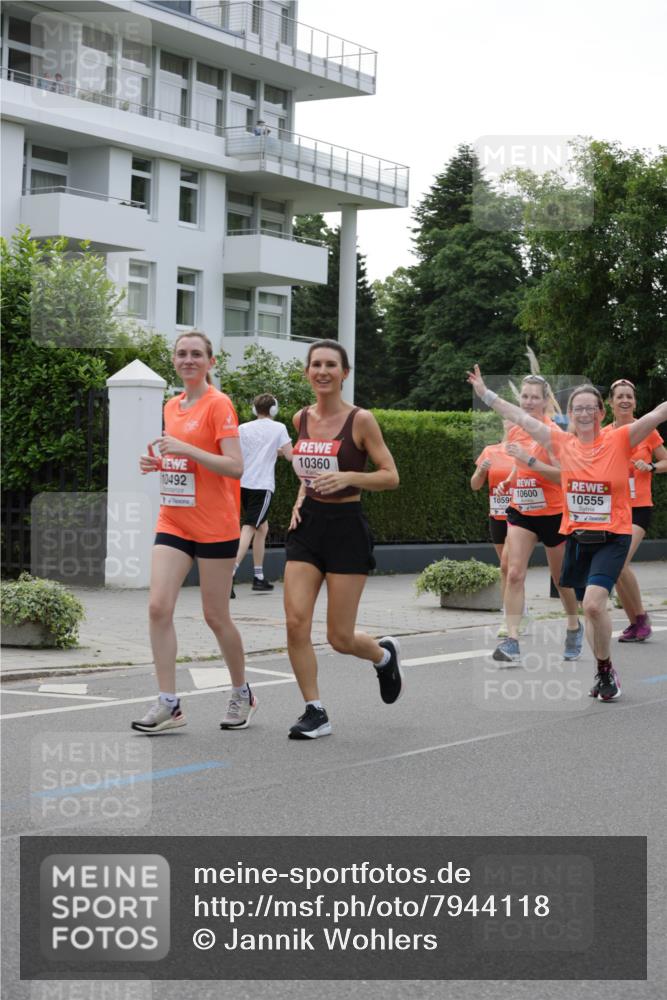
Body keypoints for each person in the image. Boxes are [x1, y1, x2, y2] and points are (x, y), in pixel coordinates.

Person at [468, 364, 667, 702]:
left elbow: (658, 413)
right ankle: (601, 663)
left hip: (612, 536)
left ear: (601, 412)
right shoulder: (561, 442)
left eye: (591, 407)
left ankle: (604, 668)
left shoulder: (620, 437)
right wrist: (485, 393)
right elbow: (519, 415)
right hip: (577, 537)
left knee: (592, 605)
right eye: (578, 408)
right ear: (570, 414)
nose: (585, 413)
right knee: (577, 598)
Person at [131, 331, 257, 734]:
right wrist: (161, 465)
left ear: (210, 362)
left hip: (215, 524)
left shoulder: (219, 404)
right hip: (174, 519)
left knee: (216, 616)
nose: (188, 360)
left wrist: (186, 452)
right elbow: (185, 464)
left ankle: (242, 691)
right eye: (182, 353)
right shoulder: (172, 405)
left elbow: (235, 466)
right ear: (174, 360)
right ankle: (169, 702)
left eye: (196, 354)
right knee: (157, 607)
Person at [284, 339, 401, 739]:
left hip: (347, 528)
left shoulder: (361, 420)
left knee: (339, 637)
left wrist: (350, 477)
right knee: (296, 622)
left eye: (331, 365)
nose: (322, 371)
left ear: (344, 373)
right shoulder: (300, 418)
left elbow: (390, 475)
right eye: (315, 364)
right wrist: (301, 497)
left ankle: (383, 656)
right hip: (308, 526)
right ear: (307, 372)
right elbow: (307, 472)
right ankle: (315, 711)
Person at [487, 375, 582, 663]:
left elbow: (562, 475)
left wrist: (529, 460)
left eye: (534, 397)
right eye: (524, 397)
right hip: (521, 511)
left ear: (544, 400)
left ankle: (573, 625)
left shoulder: (554, 434)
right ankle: (512, 640)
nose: (528, 402)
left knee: (561, 579)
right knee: (514, 572)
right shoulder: (515, 430)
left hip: (552, 513)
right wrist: (512, 479)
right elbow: (520, 464)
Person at [603, 378, 667, 641]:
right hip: (611, 508)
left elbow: (665, 460)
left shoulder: (648, 430)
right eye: (620, 396)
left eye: (629, 396)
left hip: (638, 508)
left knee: (619, 562)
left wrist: (650, 467)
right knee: (614, 568)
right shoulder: (604, 434)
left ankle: (641, 618)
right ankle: (635, 622)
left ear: (635, 402)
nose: (625, 400)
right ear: (610, 402)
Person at [233, 393, 293, 596]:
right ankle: (229, 573)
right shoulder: (279, 428)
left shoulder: (243, 428)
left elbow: (242, 453)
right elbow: (291, 455)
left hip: (243, 483)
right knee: (250, 526)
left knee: (262, 528)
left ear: (254, 409)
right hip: (262, 485)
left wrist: (271, 451)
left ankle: (258, 577)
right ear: (274, 410)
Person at [470, 421, 514, 635]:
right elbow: (475, 485)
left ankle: (509, 616)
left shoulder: (526, 452)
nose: (512, 422)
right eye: (508, 419)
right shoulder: (490, 450)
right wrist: (480, 471)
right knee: (508, 567)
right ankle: (519, 609)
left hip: (520, 517)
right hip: (497, 515)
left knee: (508, 566)